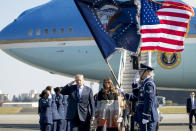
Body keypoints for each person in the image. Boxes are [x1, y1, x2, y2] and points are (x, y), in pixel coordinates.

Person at [135, 64, 159, 131]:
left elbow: (149, 100)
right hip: (143, 115)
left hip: (148, 117)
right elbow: (139, 97)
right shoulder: (144, 83)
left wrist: (146, 116)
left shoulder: (148, 83)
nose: (139, 73)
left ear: (147, 72)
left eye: (141, 71)